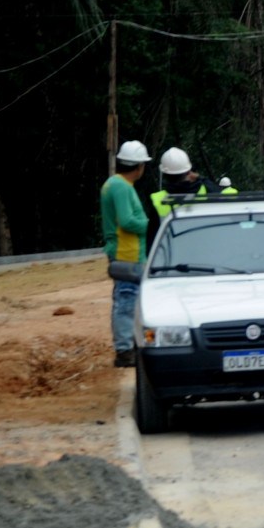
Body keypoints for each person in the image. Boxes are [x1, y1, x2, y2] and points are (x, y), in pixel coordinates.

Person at [102, 141, 152, 368]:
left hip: (125, 252)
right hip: (126, 252)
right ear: (139, 166)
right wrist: (150, 227)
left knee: (126, 299)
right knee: (126, 301)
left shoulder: (114, 183)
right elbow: (127, 220)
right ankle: (124, 351)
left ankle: (127, 345)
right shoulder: (122, 187)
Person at [150, 148, 206, 217]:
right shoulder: (207, 191)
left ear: (164, 174)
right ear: (189, 172)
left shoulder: (156, 200)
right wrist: (200, 178)